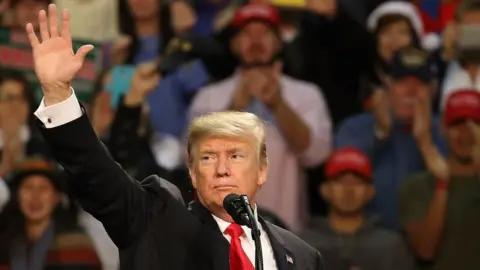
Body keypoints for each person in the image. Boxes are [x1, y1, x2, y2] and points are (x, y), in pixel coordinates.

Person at [26, 4, 324, 270]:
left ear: (262, 171)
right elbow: (96, 173)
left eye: (235, 155)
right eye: (208, 157)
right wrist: (58, 94)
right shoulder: (155, 221)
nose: (222, 169)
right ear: (193, 173)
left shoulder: (301, 256)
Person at [399, 89, 480, 269]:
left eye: (476, 123)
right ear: (443, 128)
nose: (467, 133)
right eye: (457, 123)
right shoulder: (416, 186)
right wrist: (442, 183)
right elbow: (426, 251)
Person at [300, 147, 414, 270]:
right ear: (325, 190)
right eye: (340, 181)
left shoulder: (391, 246)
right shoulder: (303, 244)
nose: (349, 190)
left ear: (370, 192)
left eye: (357, 182)